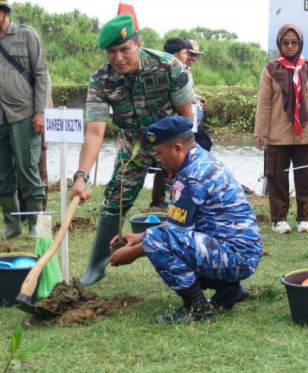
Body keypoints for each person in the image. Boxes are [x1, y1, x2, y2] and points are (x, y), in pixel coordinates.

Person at [71, 14, 194, 286]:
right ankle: (97, 265)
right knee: (114, 199)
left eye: (124, 49)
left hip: (174, 145)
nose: (118, 58)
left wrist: (181, 160)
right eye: (111, 51)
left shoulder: (167, 66)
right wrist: (81, 176)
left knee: (192, 200)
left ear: (138, 44)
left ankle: (205, 263)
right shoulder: (101, 80)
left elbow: (187, 118)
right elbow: (95, 132)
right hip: (134, 146)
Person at [109, 116, 262, 324]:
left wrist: (131, 253)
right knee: (158, 237)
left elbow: (170, 236)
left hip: (236, 255)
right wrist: (137, 237)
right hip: (239, 251)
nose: (158, 160)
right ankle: (229, 290)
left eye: (160, 153)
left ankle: (197, 308)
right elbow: (177, 224)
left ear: (178, 149)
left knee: (158, 240)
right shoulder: (201, 161)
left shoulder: (192, 176)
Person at [254, 24, 308, 234]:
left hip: (305, 135)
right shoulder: (271, 69)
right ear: (279, 44)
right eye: (286, 43)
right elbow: (264, 104)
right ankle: (279, 219)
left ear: (300, 44)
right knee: (277, 177)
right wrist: (260, 133)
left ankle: (304, 218)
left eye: (294, 43)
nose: (290, 46)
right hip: (277, 134)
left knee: (306, 176)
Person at [0, 0, 49, 239]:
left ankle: (35, 225)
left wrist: (40, 112)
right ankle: (12, 224)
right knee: (1, 173)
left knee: (28, 169)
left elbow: (41, 74)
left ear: (5, 13)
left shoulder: (26, 35)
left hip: (24, 114)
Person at [148, 37, 195, 209]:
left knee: (172, 162)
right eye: (185, 53)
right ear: (175, 54)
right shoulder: (164, 72)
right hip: (166, 126)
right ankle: (160, 199)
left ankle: (172, 199)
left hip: (177, 126)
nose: (187, 56)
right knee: (164, 161)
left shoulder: (183, 70)